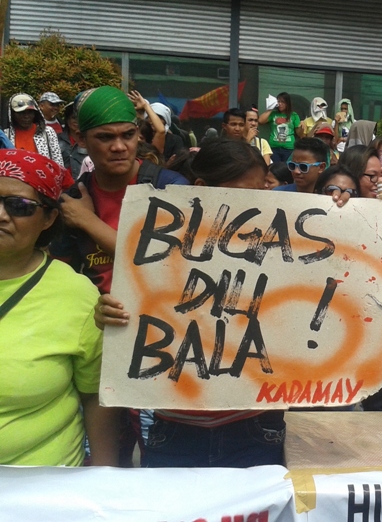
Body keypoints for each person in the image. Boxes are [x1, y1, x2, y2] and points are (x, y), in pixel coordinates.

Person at [95, 139, 290, 468]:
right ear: (201, 188)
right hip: (174, 427)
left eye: (262, 192)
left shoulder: (276, 244)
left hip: (256, 426)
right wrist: (108, 314)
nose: (255, 206)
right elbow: (135, 313)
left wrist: (342, 209)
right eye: (243, 195)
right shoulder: (156, 243)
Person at [0, 149, 118, 466]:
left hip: (43, 494)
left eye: (19, 206)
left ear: (49, 218)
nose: (1, 215)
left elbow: (96, 396)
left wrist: (103, 477)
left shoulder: (76, 295)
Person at [52, 86, 189, 295]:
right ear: (81, 139)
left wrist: (88, 221)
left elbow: (170, 268)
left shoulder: (170, 188)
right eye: (105, 137)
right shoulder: (74, 201)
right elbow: (59, 277)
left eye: (128, 135)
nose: (119, 146)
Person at [4, 93, 64, 167]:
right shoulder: (6, 135)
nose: (26, 116)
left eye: (30, 112)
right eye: (21, 113)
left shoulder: (47, 132)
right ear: (12, 114)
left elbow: (58, 162)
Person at [264, 93, 301, 163]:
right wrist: (270, 109)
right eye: (278, 101)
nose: (280, 104)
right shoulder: (273, 114)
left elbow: (299, 134)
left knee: (287, 170)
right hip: (274, 148)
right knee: (275, 169)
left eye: (282, 102)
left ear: (287, 103)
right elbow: (260, 121)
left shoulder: (294, 115)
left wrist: (301, 127)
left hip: (289, 148)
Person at [58, 101, 89, 179]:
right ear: (67, 119)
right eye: (73, 118)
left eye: (80, 118)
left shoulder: (90, 140)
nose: (77, 121)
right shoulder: (56, 138)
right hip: (62, 185)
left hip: (83, 183)